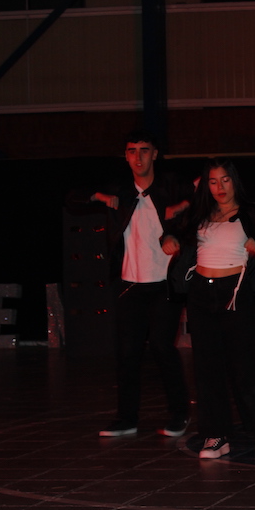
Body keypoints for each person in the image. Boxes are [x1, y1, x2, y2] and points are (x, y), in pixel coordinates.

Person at [163, 158, 255, 459]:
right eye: (213, 181)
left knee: (245, 365)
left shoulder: (252, 212)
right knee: (207, 368)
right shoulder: (199, 214)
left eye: (224, 180)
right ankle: (216, 435)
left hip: (235, 292)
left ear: (234, 181)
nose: (219, 187)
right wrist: (169, 238)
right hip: (201, 294)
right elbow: (174, 230)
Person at [67, 130, 191, 439]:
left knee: (162, 347)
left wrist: (179, 217)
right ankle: (126, 418)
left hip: (164, 283)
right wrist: (99, 197)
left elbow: (202, 200)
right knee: (127, 353)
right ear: (125, 156)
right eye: (132, 151)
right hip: (129, 284)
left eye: (144, 150)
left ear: (155, 154)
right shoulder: (120, 191)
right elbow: (72, 198)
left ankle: (179, 413)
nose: (138, 157)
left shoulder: (170, 186)